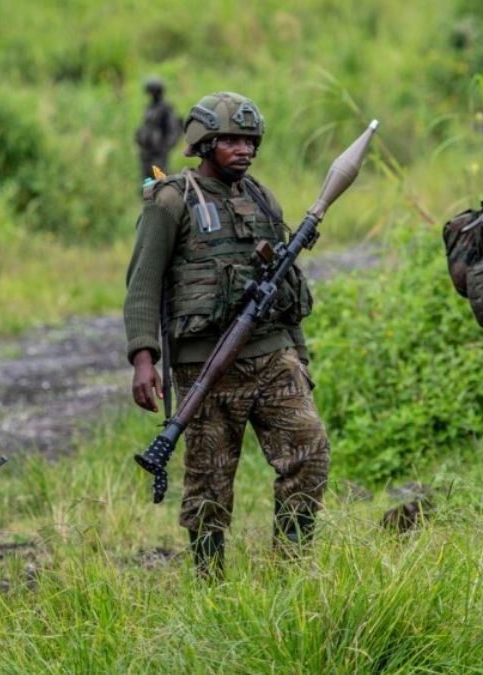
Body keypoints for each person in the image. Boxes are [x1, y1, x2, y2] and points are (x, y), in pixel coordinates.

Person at [123, 92, 330, 576]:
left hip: (273, 354)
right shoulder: (172, 200)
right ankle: (210, 582)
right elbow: (143, 283)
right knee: (210, 483)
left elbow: (283, 282)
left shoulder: (260, 196)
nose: (244, 150)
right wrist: (143, 357)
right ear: (205, 142)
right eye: (232, 140)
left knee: (310, 450)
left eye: (251, 141)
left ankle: (291, 568)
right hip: (205, 365)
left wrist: (299, 355)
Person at [134, 77, 183, 179]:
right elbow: (146, 127)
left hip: (158, 152)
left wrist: (165, 147)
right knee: (147, 181)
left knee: (160, 178)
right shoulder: (150, 108)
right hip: (147, 152)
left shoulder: (165, 108)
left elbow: (172, 129)